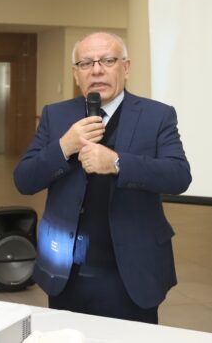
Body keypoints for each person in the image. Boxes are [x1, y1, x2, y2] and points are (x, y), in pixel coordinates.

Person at [13, 32, 192, 324]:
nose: (97, 70)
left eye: (108, 60)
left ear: (126, 67)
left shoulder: (157, 116)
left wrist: (117, 163)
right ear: (76, 74)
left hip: (131, 271)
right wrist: (64, 146)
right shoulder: (55, 116)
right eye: (86, 63)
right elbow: (24, 180)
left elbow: (178, 176)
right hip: (66, 271)